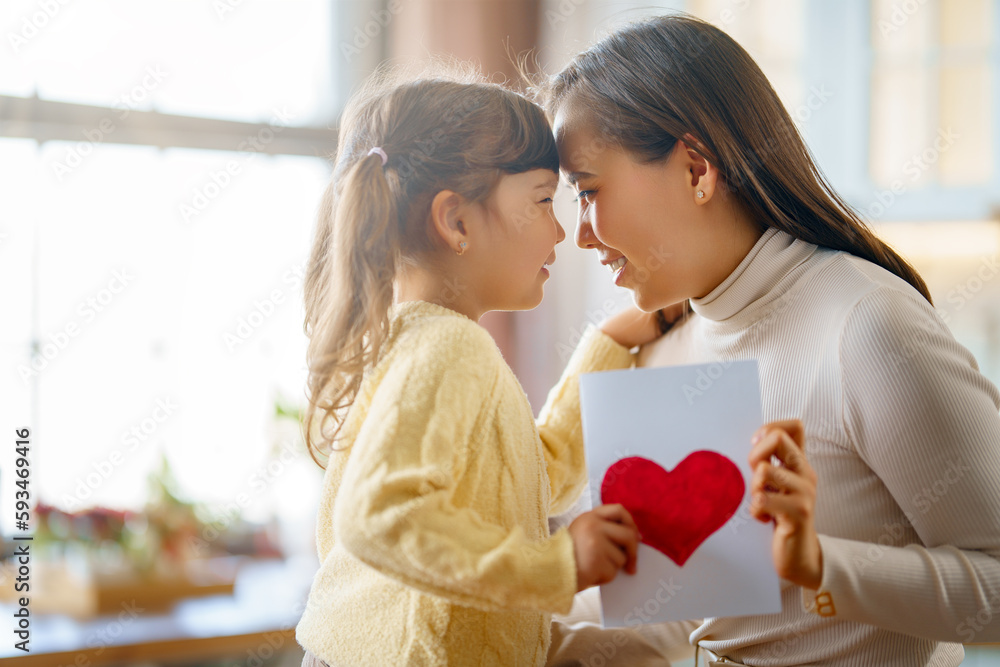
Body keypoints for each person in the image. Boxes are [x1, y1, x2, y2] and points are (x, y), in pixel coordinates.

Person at [538, 13, 1000, 667]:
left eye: (587, 191)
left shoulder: (868, 328)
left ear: (697, 168)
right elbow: (686, 617)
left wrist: (821, 565)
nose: (580, 234)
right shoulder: (663, 346)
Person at [293, 66, 652, 667]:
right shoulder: (448, 348)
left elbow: (534, 476)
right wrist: (556, 564)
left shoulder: (415, 340)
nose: (562, 231)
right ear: (456, 221)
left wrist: (609, 344)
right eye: (542, 201)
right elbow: (381, 516)